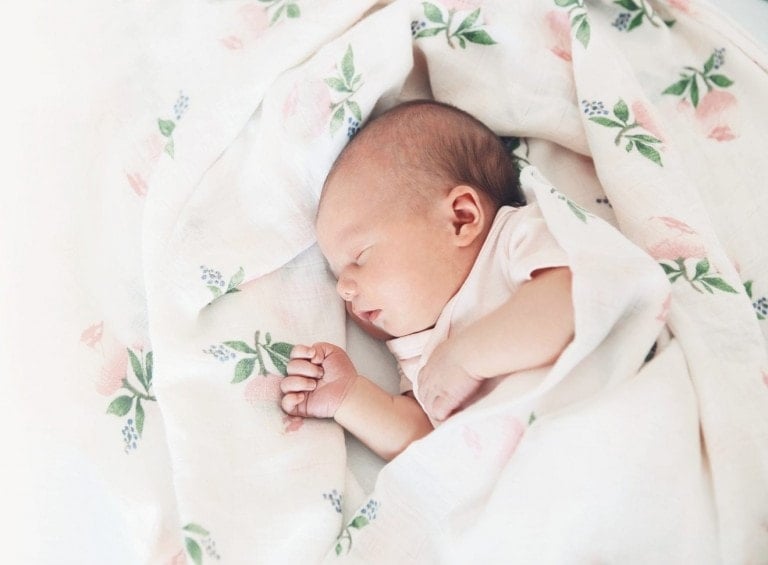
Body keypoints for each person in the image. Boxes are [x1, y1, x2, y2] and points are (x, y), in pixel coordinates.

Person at [279, 100, 575, 461]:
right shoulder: (417, 349)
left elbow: (568, 305)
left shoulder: (514, 240)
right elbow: (424, 441)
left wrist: (466, 358)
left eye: (360, 257)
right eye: (339, 274)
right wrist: (350, 396)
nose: (344, 287)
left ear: (461, 219)